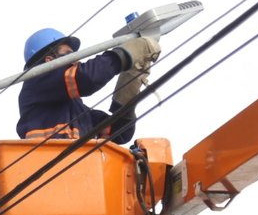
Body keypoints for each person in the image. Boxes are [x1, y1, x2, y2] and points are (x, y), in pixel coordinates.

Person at [16, 28, 160, 144]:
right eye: (68, 54)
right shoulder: (37, 81)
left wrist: (129, 83)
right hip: (48, 168)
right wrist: (124, 55)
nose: (76, 60)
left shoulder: (77, 113)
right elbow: (88, 77)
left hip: (77, 173)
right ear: (49, 60)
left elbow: (120, 132)